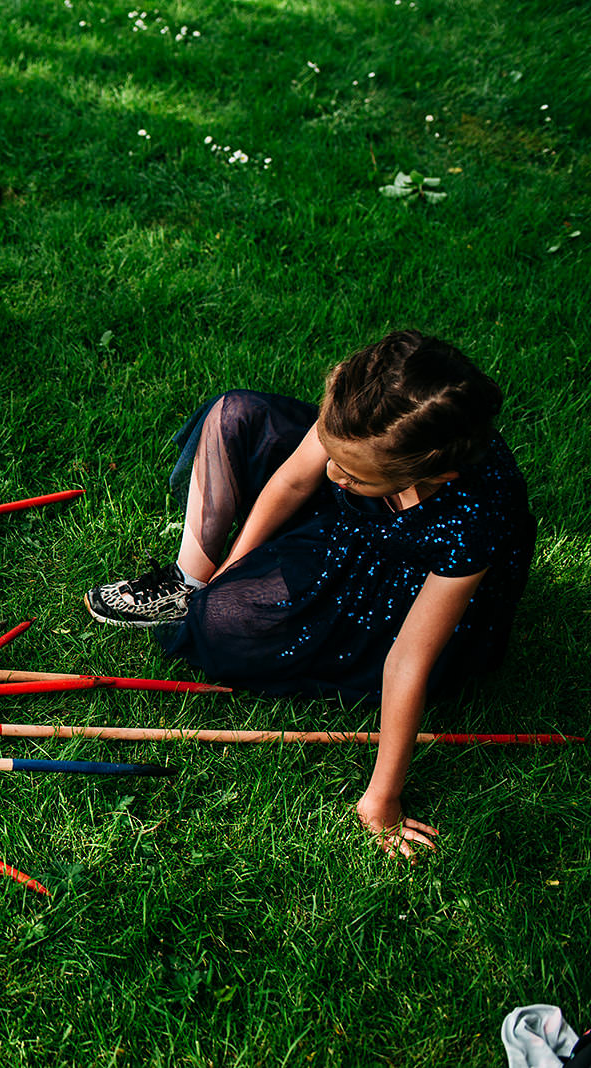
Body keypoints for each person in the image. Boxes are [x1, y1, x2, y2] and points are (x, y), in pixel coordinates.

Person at [83, 330, 536, 857]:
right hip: (352, 516)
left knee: (226, 627)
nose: (330, 472)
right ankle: (190, 580)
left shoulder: (472, 517)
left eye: (353, 476)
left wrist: (381, 800)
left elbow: (409, 659)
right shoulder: (362, 416)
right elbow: (293, 483)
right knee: (234, 415)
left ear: (433, 474)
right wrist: (230, 574)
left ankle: (221, 597)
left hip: (395, 582)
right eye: (334, 456)